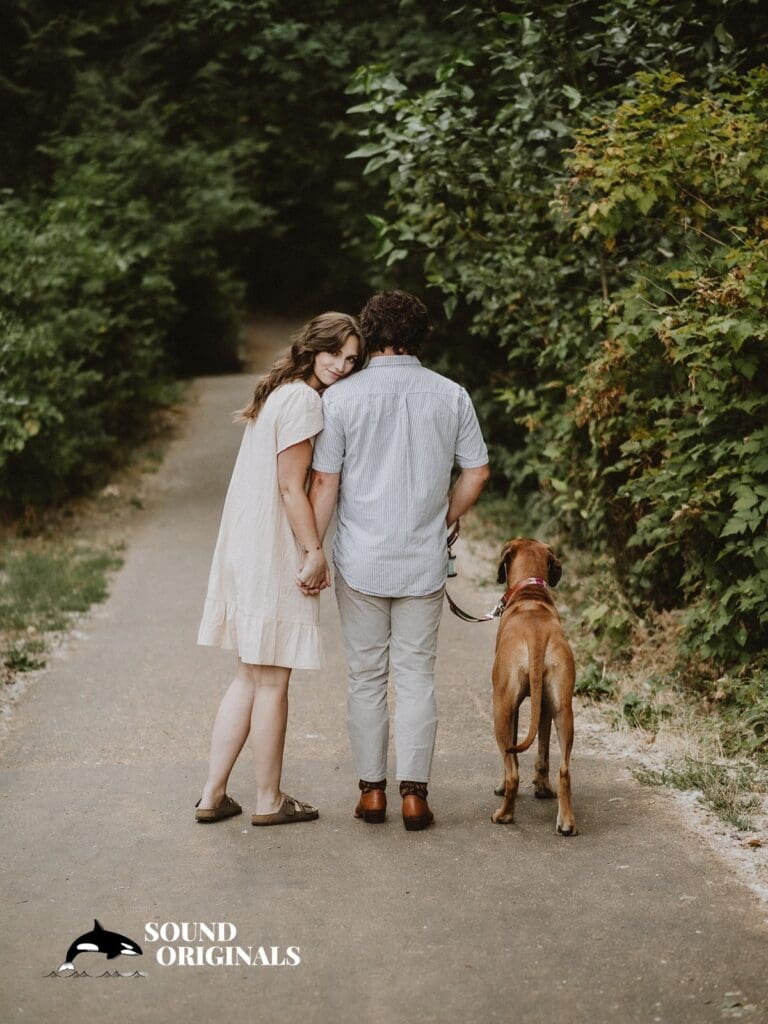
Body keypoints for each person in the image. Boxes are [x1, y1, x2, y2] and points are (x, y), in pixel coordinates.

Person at [308, 290, 489, 830]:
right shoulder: (451, 394)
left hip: (361, 560)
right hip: (421, 561)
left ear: (369, 333)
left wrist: (310, 551)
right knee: (416, 676)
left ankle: (371, 794)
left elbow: (324, 482)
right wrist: (445, 517)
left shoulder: (341, 399)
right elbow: (476, 471)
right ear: (419, 336)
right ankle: (415, 795)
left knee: (365, 677)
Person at [195, 313, 363, 826]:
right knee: (271, 680)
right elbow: (292, 487)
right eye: (334, 352)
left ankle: (213, 795)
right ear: (313, 348)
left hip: (246, 547)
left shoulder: (281, 392)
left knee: (249, 675)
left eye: (352, 359)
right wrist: (313, 551)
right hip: (273, 551)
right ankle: (268, 799)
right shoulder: (304, 401)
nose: (341, 365)